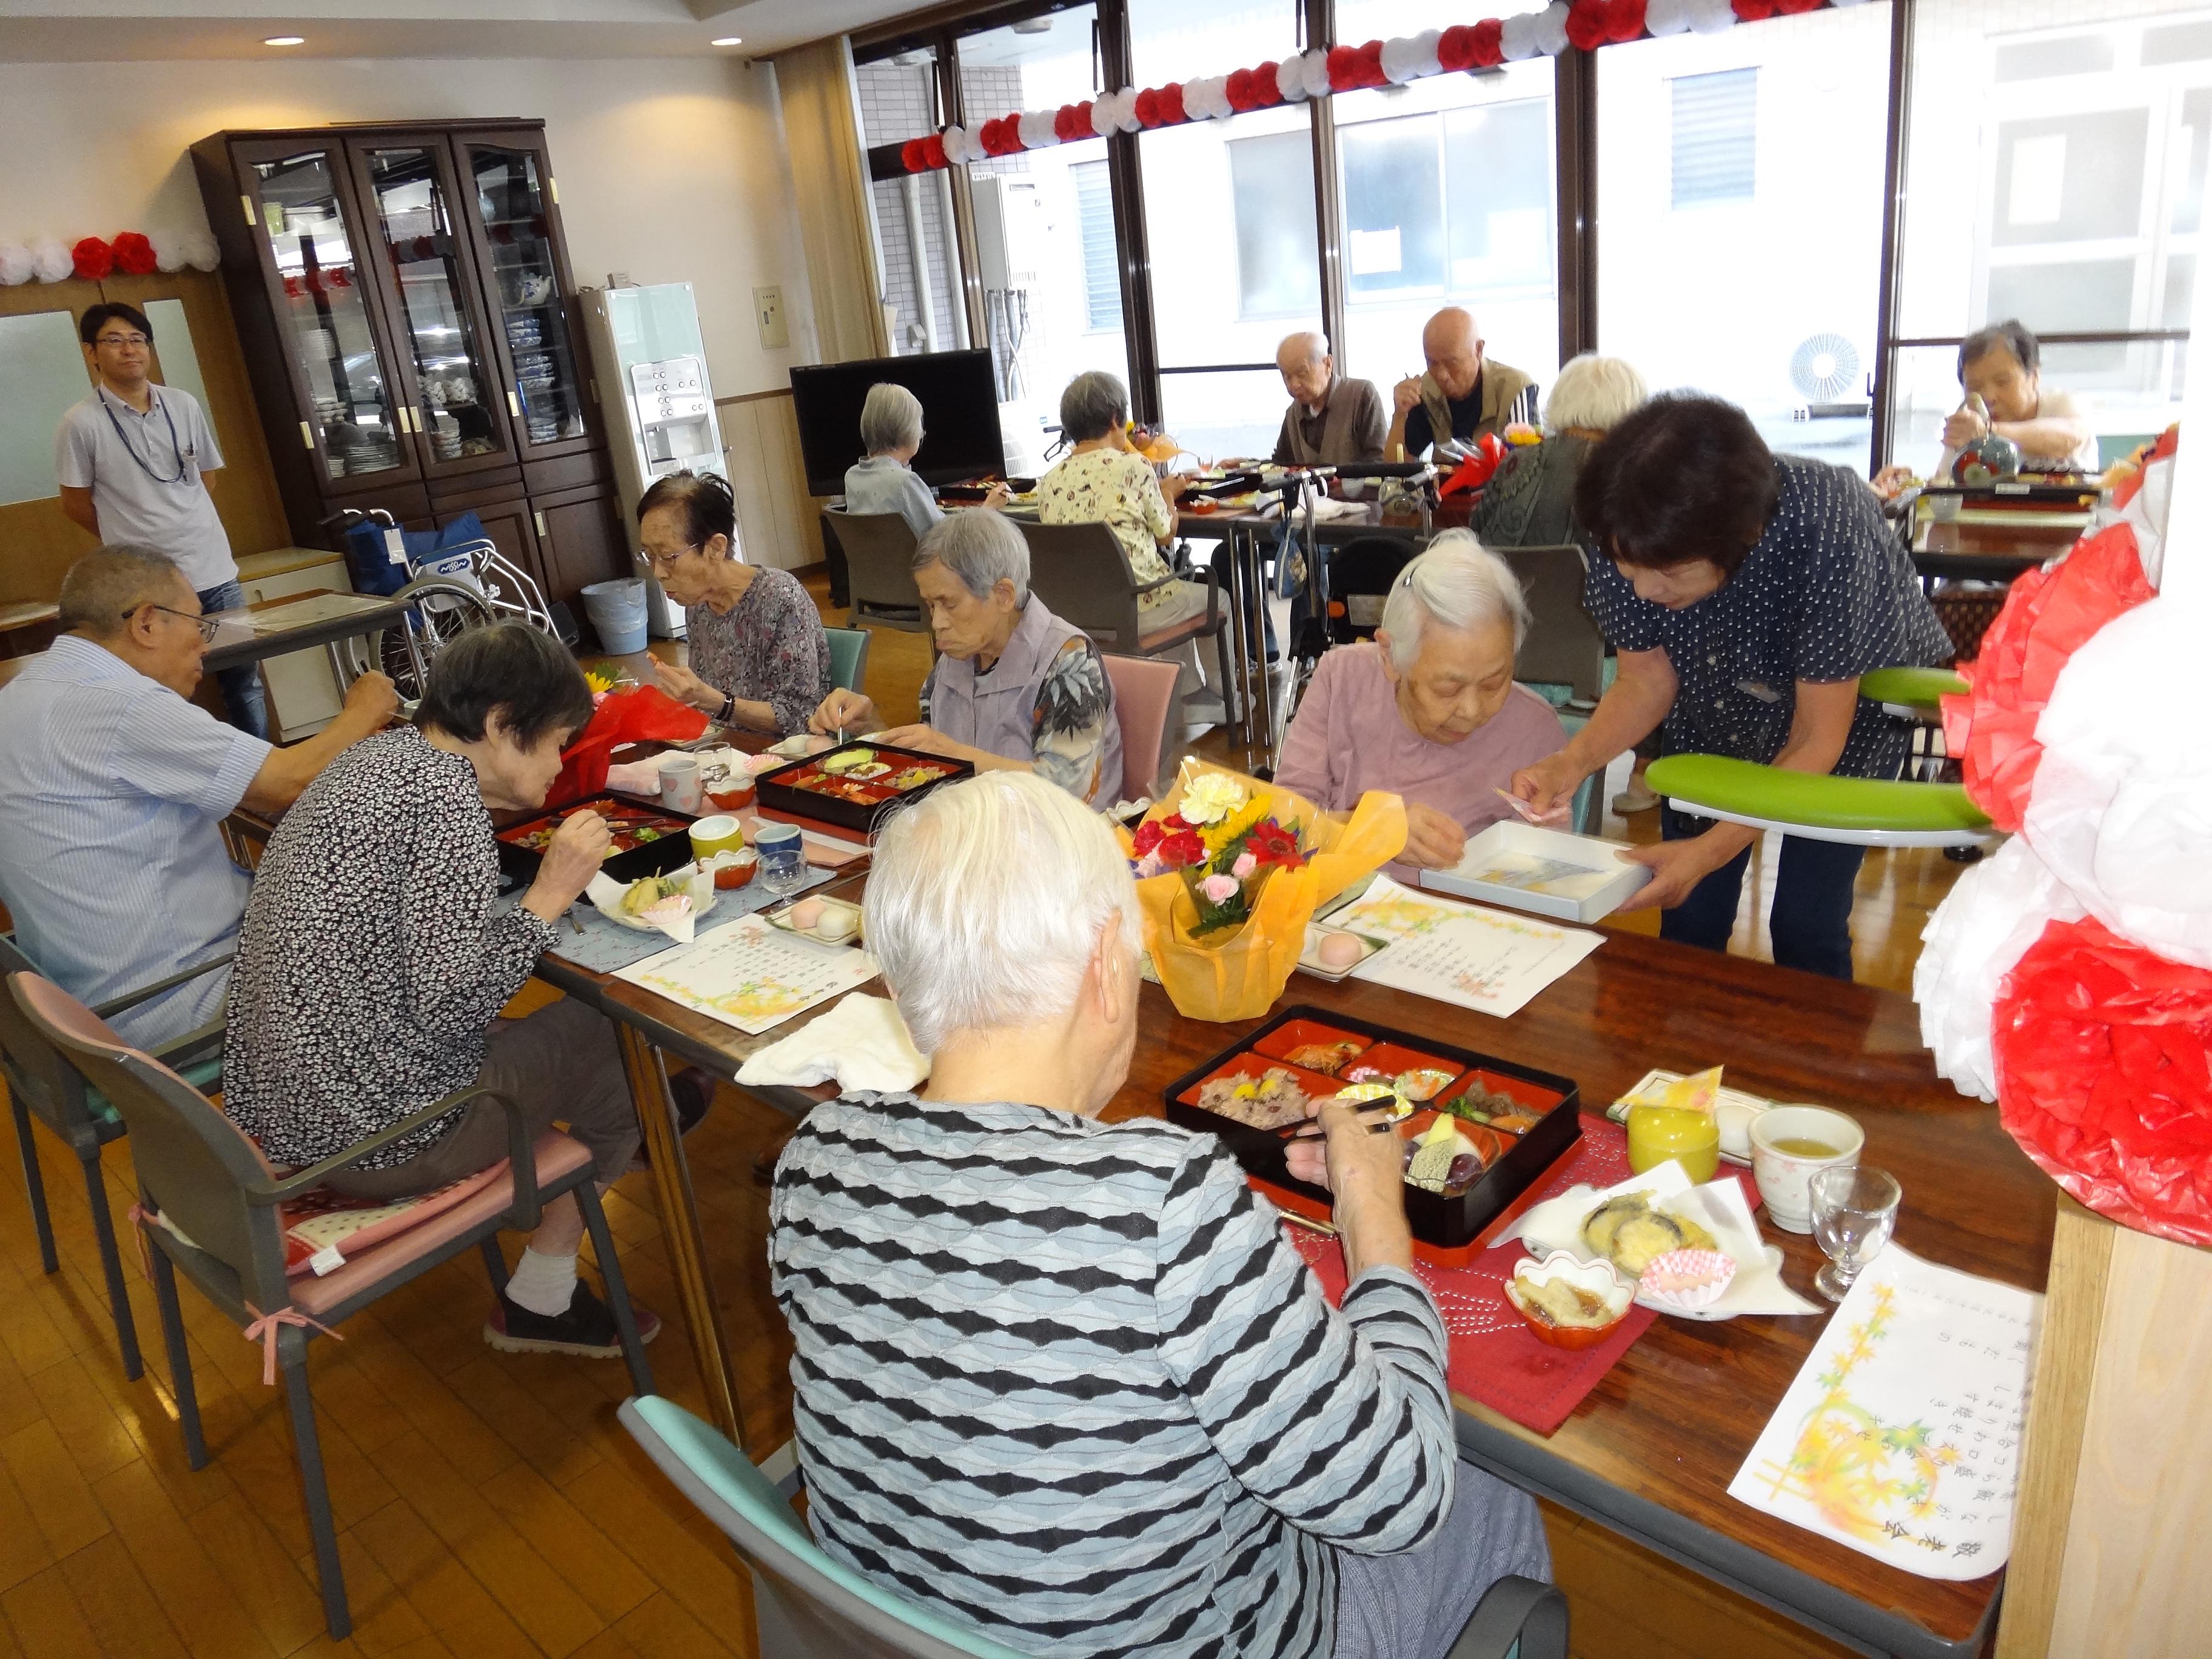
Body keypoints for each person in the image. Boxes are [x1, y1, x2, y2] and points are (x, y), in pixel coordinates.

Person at [770, 769, 1550, 1658]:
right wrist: (1374, 1212)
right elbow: (1404, 1496)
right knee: (1493, 1497)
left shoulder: (817, 1156)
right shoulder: (1165, 1204)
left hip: (902, 1634)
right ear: (1109, 963)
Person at [223, 623, 695, 1358]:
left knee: (605, 1069)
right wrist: (549, 892)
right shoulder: (446, 804)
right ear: (503, 725)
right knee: (618, 1027)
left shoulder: (377, 759)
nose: (561, 763)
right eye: (557, 742)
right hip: (380, 1140)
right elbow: (453, 1009)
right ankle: (551, 1276)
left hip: (294, 1112)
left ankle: (641, 1121)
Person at [1510, 394, 1951, 981]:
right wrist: (1571, 762)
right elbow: (1645, 680)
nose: (1643, 592)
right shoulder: (1625, 524)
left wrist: (1710, 851)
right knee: (1689, 912)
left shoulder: (1829, 521)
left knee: (1807, 922)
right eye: (1629, 570)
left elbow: (1818, 737)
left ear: (1746, 535)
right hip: (1716, 699)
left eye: (1669, 573)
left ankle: (1807, 1039)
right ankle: (1678, 1040)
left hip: (1845, 717)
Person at [0, 545, 395, 1049]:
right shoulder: (121, 704)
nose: (205, 647)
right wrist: (363, 709)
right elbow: (286, 783)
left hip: (79, 1001)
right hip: (179, 997)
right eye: (198, 625)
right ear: (147, 623)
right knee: (419, 929)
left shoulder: (20, 696)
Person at [1275, 535, 1566, 880]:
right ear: (1389, 657)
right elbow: (1280, 826)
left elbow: (1547, 877)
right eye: (1447, 689)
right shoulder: (1342, 679)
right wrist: (1368, 829)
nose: (1472, 710)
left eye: (1494, 683)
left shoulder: (1534, 729)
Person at [810, 511, 1124, 805]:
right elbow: (927, 750)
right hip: (971, 823)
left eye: (949, 604)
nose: (937, 622)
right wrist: (869, 727)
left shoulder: (1069, 660)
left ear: (1003, 595)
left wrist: (955, 755)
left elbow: (1068, 791)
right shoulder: (960, 654)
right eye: (931, 605)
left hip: (1055, 835)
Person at [56, 303, 267, 739]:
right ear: (91, 352)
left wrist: (178, 520)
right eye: (115, 341)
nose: (129, 350)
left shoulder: (183, 404)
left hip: (214, 569)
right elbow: (74, 504)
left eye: (138, 340)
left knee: (244, 680)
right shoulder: (80, 423)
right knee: (165, 689)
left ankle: (258, 769)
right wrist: (130, 539)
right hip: (149, 588)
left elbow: (206, 477)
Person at [1036, 369, 1227, 725]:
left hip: (1079, 614)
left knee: (1178, 592)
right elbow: (1166, 534)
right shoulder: (1134, 466)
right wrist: (1168, 493)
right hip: (1137, 607)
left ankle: (1189, 695)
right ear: (1115, 418)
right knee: (1216, 597)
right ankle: (1225, 699)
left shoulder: (1049, 481)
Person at [632, 470, 831, 735]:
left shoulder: (779, 597)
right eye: (649, 555)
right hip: (722, 747)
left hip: (780, 752)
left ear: (716, 547)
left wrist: (716, 702)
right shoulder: (698, 604)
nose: (658, 572)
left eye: (667, 556)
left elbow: (798, 716)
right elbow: (704, 706)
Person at [1875, 319, 2096, 495]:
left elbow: (2071, 439)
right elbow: (1942, 489)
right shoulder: (1969, 422)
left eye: (2003, 381)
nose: (1988, 397)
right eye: (1975, 387)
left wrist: (1989, 431)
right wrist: (1904, 485)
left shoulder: (2062, 404)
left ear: (2034, 377)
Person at [1469, 352, 1647, 550]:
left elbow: (1477, 532)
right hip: (1579, 571)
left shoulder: (1517, 460)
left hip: (1504, 569)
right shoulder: (1624, 472)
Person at [842, 381, 1008, 537]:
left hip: (878, 560)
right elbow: (945, 540)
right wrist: (987, 510)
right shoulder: (905, 482)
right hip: (922, 559)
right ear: (906, 431)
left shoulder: (853, 477)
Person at [1386, 307, 1537, 465]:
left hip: (1499, 481)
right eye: (1432, 363)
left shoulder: (1515, 388)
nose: (1442, 375)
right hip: (1446, 481)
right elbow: (1395, 469)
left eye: (1452, 363)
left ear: (1478, 350)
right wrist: (1400, 415)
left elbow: (1528, 466)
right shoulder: (1424, 390)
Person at [1270, 331, 1387, 467]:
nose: (1294, 385)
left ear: (1328, 364)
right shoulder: (1293, 413)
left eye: (1302, 373)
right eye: (1287, 376)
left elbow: (1379, 461)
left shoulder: (1362, 395)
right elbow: (1281, 465)